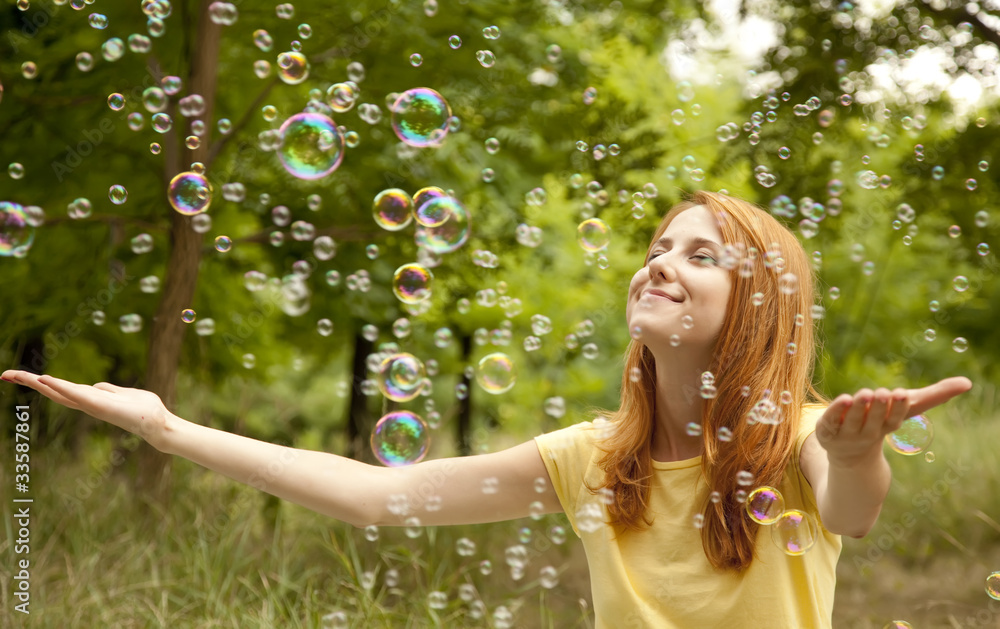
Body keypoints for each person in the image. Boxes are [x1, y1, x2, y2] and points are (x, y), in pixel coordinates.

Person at [2, 190, 971, 628]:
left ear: (755, 308)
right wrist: (166, 426)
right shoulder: (594, 457)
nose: (660, 260)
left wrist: (851, 452)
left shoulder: (797, 439)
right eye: (657, 243)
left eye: (699, 253)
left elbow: (851, 508)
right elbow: (382, 496)